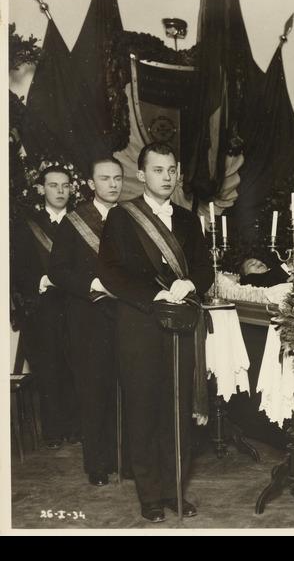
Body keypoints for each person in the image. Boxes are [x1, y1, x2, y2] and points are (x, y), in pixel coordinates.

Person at [98, 143, 213, 522]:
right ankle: (149, 494)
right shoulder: (121, 217)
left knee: (177, 410)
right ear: (142, 174)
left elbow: (204, 269)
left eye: (171, 170)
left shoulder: (188, 220)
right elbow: (112, 273)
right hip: (140, 324)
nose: (166, 177)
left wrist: (191, 285)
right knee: (145, 408)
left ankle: (172, 490)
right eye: (158, 170)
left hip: (180, 326)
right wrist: (155, 294)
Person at [49, 158, 124, 486]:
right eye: (105, 179)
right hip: (88, 319)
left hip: (126, 317)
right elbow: (58, 270)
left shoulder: (132, 217)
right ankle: (97, 464)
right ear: (91, 184)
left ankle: (127, 460)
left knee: (125, 391)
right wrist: (93, 285)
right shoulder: (75, 221)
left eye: (118, 178)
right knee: (94, 393)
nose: (113, 184)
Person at [10, 165, 80, 449]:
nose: (60, 191)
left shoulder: (80, 223)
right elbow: (16, 267)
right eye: (54, 186)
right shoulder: (27, 225)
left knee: (74, 368)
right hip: (42, 307)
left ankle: (76, 428)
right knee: (48, 370)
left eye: (65, 186)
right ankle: (53, 431)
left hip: (75, 306)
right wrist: (40, 280)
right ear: (41, 189)